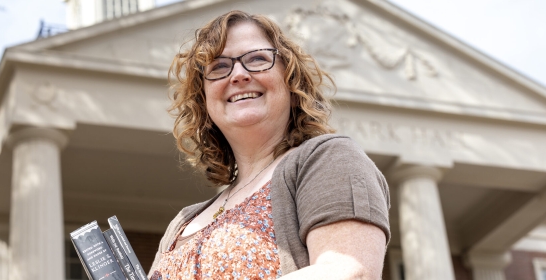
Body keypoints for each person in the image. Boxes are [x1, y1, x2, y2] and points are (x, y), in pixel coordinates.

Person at [149, 10, 390, 280]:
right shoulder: (182, 223)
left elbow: (349, 273)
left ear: (291, 81)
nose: (237, 75)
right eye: (218, 67)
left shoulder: (327, 159)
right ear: (203, 99)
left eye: (256, 59)